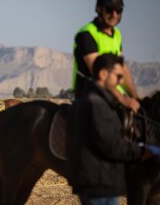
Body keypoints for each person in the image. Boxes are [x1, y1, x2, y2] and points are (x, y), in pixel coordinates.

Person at [66, 53, 156, 205]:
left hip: (104, 182)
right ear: (103, 74)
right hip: (97, 184)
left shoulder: (102, 102)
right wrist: (142, 152)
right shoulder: (97, 104)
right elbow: (109, 143)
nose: (121, 82)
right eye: (118, 77)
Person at [72, 0, 139, 112]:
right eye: (109, 10)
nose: (114, 14)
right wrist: (123, 100)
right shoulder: (87, 34)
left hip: (112, 95)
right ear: (99, 10)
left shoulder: (117, 34)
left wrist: (136, 99)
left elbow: (123, 68)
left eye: (118, 10)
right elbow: (100, 75)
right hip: (91, 95)